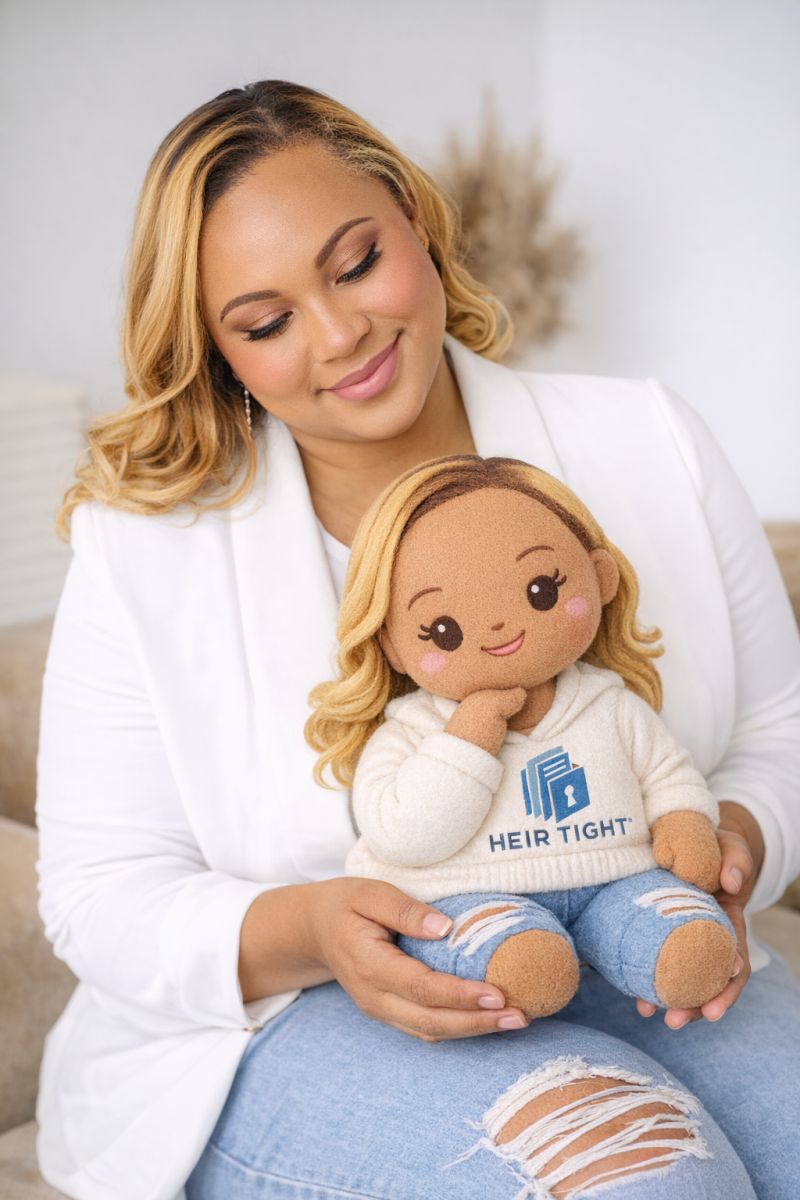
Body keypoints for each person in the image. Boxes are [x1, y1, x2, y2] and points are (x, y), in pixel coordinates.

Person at [34, 79, 800, 1200]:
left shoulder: (644, 437)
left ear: (415, 220)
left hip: (628, 938)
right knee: (644, 1181)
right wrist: (309, 930)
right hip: (288, 1018)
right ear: (216, 349)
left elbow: (777, 729)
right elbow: (97, 893)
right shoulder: (144, 547)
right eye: (265, 321)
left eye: (354, 263)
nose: (340, 334)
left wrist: (731, 841)